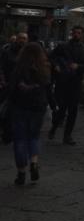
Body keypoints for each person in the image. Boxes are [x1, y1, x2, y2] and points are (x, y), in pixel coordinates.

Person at [9, 41, 51, 185]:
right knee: (33, 136)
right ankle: (33, 162)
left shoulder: (19, 68)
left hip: (20, 106)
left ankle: (21, 173)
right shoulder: (43, 68)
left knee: (20, 139)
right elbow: (47, 87)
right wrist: (53, 104)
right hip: (38, 107)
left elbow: (11, 88)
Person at [49, 26, 84, 145]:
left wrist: (79, 67)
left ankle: (67, 135)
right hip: (62, 81)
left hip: (75, 82)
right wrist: (56, 66)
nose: (76, 35)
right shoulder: (63, 46)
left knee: (73, 110)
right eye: (74, 33)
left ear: (82, 35)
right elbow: (52, 57)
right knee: (61, 109)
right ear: (71, 34)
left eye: (79, 33)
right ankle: (54, 128)